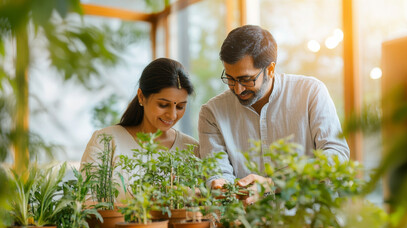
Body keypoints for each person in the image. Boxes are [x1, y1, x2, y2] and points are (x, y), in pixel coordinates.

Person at [198, 25, 350, 204]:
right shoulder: (212, 113)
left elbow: (336, 155)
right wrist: (220, 184)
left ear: (270, 69)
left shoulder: (310, 93)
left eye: (246, 79)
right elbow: (218, 172)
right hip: (247, 225)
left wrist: (273, 184)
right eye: (230, 79)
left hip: (310, 221)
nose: (238, 89)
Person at [80, 58, 198, 201]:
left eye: (180, 106)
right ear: (142, 97)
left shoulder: (191, 148)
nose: (172, 115)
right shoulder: (106, 141)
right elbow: (87, 204)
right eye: (163, 105)